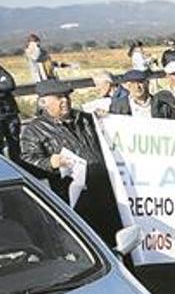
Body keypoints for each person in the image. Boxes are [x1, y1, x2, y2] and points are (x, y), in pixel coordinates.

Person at [20, 80, 122, 245]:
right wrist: (49, 163)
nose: (65, 101)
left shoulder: (85, 119)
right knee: (93, 240)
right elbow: (28, 162)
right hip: (74, 196)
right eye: (59, 97)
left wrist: (105, 120)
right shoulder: (34, 130)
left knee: (118, 235)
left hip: (107, 189)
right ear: (43, 102)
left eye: (67, 96)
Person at [109, 69, 175, 119]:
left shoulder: (162, 106)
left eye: (140, 82)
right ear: (127, 86)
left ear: (147, 84)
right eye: (132, 84)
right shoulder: (117, 107)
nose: (137, 87)